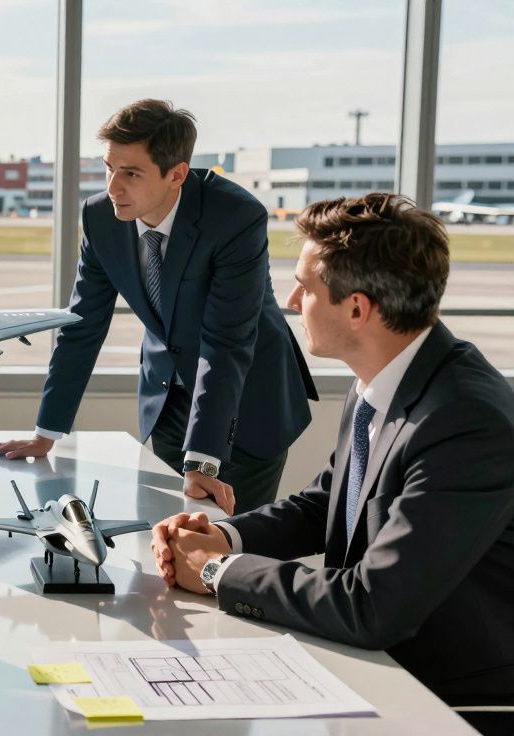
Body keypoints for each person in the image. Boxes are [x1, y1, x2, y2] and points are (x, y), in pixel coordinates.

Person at [152, 193, 514, 731]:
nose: (292, 301)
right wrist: (223, 536)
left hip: (450, 704)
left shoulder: (465, 421)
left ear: (357, 309)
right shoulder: (382, 378)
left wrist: (214, 571)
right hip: (374, 669)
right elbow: (328, 503)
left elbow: (374, 605)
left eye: (306, 287)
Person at [0, 99, 316, 514]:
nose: (113, 187)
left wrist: (202, 461)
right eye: (109, 168)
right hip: (166, 400)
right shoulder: (101, 217)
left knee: (228, 542)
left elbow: (226, 342)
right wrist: (46, 432)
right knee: (162, 535)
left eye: (131, 173)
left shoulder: (236, 217)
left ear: (176, 174)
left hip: (246, 404)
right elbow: (82, 326)